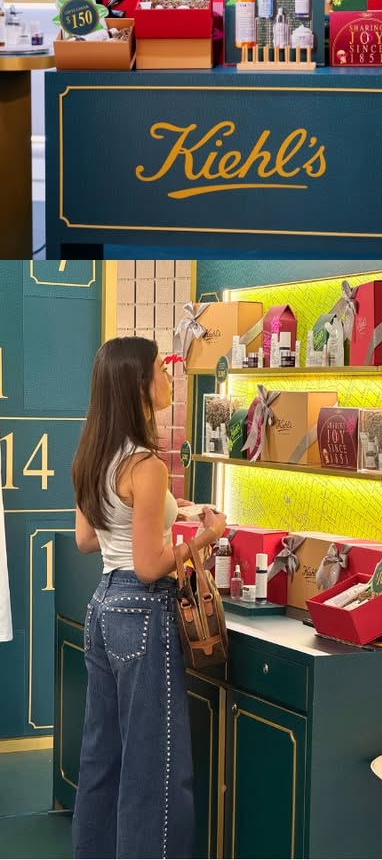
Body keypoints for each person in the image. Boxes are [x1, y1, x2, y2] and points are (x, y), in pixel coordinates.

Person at [71, 336, 227, 859]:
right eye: (162, 369)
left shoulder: (95, 455)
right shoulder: (148, 465)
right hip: (142, 611)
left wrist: (163, 512)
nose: (170, 378)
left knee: (102, 757)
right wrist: (206, 536)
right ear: (140, 384)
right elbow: (147, 566)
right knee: (156, 767)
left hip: (103, 608)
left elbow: (89, 539)